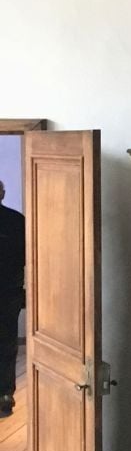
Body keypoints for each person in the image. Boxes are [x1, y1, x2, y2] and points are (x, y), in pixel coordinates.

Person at [0, 179, 25, 418]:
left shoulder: (17, 222)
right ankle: (4, 396)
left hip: (9, 293)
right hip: (9, 292)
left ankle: (4, 396)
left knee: (6, 344)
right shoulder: (17, 221)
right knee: (6, 344)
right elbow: (29, 257)